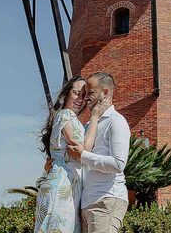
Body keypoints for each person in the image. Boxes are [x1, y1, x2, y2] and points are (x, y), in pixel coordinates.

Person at [35, 76, 110, 233]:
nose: (80, 99)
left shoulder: (71, 119)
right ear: (66, 93)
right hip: (62, 188)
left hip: (68, 187)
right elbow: (82, 149)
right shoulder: (65, 115)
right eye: (76, 93)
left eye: (84, 95)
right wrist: (95, 117)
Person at [67, 72, 131, 233]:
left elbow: (118, 164)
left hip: (106, 200)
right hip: (87, 202)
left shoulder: (116, 121)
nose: (86, 98)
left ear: (105, 92)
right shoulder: (90, 124)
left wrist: (83, 155)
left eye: (91, 93)